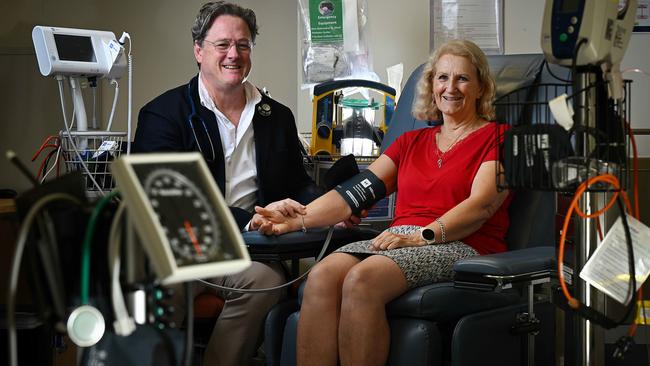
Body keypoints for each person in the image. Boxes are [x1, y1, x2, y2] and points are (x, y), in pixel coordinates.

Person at [255, 39, 512, 366]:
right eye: (442, 78)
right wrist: (298, 219)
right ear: (432, 85)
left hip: (462, 242)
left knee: (363, 280)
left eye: (462, 78)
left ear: (480, 87)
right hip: (400, 240)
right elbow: (356, 192)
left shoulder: (499, 138)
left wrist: (423, 235)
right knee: (320, 277)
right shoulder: (411, 142)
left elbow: (482, 205)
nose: (451, 87)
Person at [132, 2, 323, 365]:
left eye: (243, 45)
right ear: (199, 50)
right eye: (222, 45)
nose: (233, 55)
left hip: (250, 253)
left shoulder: (275, 116)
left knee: (266, 281)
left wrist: (331, 207)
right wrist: (250, 220)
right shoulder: (163, 115)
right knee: (154, 286)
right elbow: (171, 203)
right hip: (180, 247)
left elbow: (298, 185)